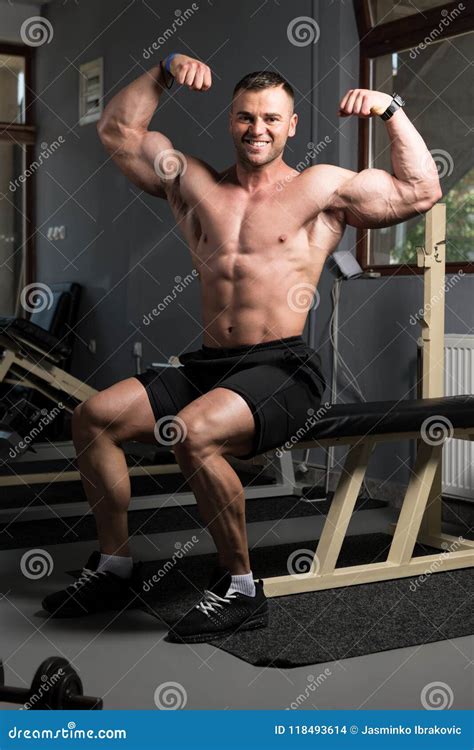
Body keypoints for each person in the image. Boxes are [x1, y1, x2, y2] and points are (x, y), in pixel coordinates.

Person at [42, 54, 441, 642]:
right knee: (93, 418)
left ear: (292, 126)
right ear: (230, 121)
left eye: (272, 119)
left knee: (195, 431)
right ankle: (116, 565)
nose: (258, 129)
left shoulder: (321, 188)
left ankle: (240, 588)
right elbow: (118, 133)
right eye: (246, 118)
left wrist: (390, 110)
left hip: (281, 367)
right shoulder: (193, 182)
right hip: (208, 365)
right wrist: (161, 71)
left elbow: (420, 190)